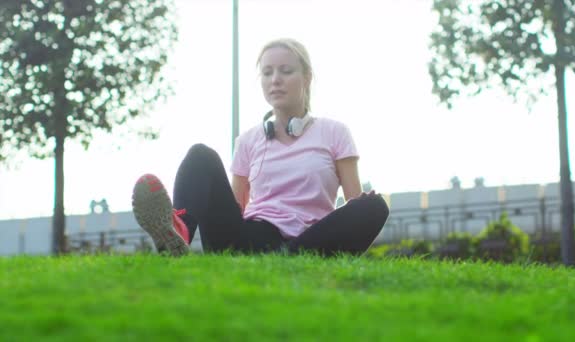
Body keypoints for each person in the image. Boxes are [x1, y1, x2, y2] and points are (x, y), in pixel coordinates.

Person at [132, 38, 389, 256]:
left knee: (374, 206)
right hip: (252, 237)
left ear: (307, 77)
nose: (275, 80)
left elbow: (355, 203)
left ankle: (289, 257)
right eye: (267, 73)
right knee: (200, 155)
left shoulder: (335, 132)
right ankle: (177, 232)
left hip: (312, 238)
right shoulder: (248, 140)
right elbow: (234, 207)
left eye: (286, 71)